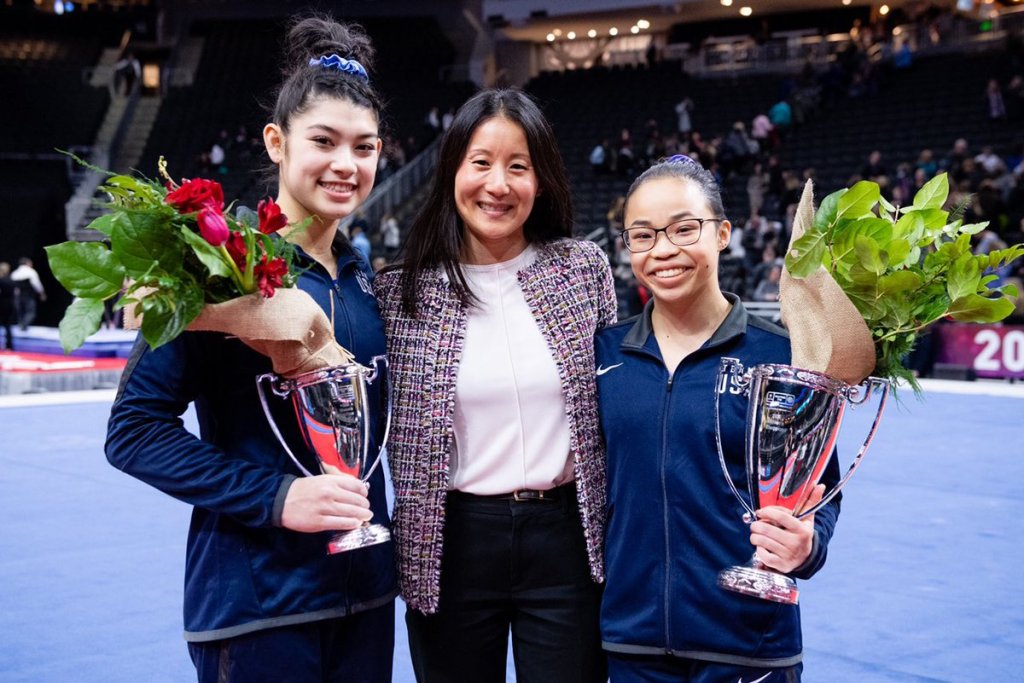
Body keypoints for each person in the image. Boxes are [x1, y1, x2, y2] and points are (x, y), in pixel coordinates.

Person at [104, 15, 396, 683]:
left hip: (367, 599)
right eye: (323, 141)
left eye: (364, 147)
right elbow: (134, 431)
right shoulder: (216, 271)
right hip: (258, 605)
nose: (346, 164)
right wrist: (275, 496)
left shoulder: (367, 283)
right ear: (276, 141)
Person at [374, 88, 617, 683]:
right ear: (452, 170)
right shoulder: (399, 294)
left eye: (518, 166)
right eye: (480, 162)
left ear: (542, 179)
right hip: (449, 543)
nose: (498, 185)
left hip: (567, 540)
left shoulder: (583, 270)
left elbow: (614, 403)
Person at [595, 155, 840, 682]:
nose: (663, 250)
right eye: (643, 236)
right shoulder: (604, 356)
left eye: (684, 229)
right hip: (631, 643)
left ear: (723, 233)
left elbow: (822, 488)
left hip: (749, 643)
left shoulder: (783, 356)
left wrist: (807, 545)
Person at [10, 257, 46, 330]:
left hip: (18, 296)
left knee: (20, 313)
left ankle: (22, 326)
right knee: (31, 312)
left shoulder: (14, 273)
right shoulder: (31, 272)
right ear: (27, 263)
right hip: (28, 295)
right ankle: (23, 325)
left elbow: (12, 287)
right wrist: (42, 293)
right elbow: (36, 284)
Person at [0, 262, 15, 350]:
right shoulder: (12, 281)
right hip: (10, 304)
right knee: (8, 326)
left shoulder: (1, 281)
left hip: (1, 304)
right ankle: (9, 346)